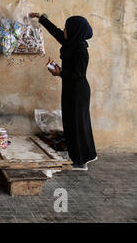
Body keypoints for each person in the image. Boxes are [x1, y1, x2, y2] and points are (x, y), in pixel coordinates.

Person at [29, 12, 97, 171]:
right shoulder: (70, 41)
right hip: (70, 88)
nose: (64, 30)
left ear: (75, 31)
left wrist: (59, 72)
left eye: (67, 28)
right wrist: (41, 18)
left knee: (76, 124)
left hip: (78, 91)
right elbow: (56, 31)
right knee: (73, 122)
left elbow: (79, 74)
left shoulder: (80, 49)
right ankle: (88, 154)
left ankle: (80, 162)